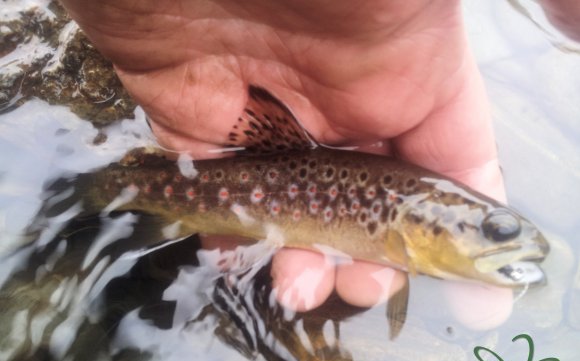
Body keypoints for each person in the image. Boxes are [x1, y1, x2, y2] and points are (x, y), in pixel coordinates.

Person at [58, 0, 575, 326]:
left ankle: (83, 188)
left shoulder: (403, 221)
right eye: (498, 230)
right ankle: (90, 190)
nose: (507, 240)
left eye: (498, 232)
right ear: (424, 221)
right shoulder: (400, 221)